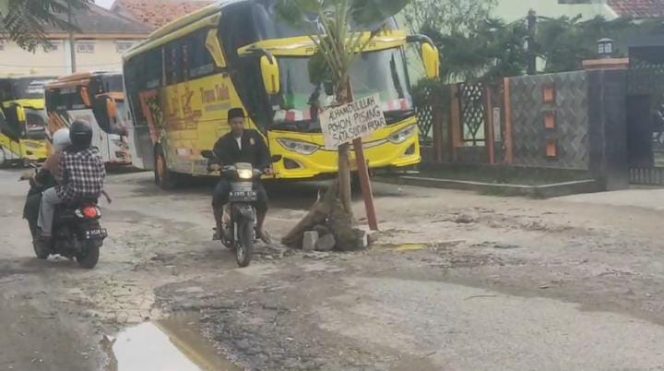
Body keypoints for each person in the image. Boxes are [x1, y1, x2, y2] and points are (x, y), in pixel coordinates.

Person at [36, 121, 106, 246]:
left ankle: (46, 234)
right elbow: (103, 175)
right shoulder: (96, 153)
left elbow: (62, 178)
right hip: (95, 194)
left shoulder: (65, 155)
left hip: (72, 194)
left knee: (46, 197)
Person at [212, 108, 271, 243]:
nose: (237, 125)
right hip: (230, 179)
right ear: (229, 124)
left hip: (252, 179)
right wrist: (214, 164)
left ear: (244, 122)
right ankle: (219, 228)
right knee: (217, 197)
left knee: (263, 200)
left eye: (240, 122)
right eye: (234, 123)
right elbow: (215, 155)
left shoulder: (254, 137)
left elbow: (264, 154)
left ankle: (259, 228)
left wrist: (266, 167)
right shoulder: (224, 141)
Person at [23, 128, 71, 235]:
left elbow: (41, 177)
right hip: (88, 194)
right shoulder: (83, 154)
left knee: (42, 199)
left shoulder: (56, 157)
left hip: (67, 192)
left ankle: (45, 233)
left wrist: (33, 178)